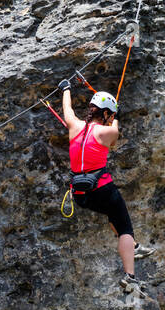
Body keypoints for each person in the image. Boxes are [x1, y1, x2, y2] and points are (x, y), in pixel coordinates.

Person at [58, 79, 142, 288]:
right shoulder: (109, 132)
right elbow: (113, 133)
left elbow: (67, 109)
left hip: (80, 194)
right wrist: (116, 117)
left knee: (111, 214)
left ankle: (131, 246)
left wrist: (66, 88)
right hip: (102, 188)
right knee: (125, 228)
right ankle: (130, 277)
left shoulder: (74, 126)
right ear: (105, 114)